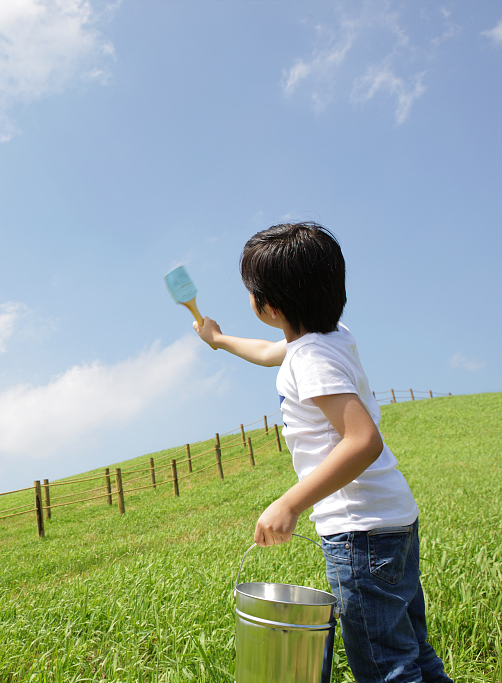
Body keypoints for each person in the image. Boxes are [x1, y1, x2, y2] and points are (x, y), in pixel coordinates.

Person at [193, 222, 452, 683]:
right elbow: (268, 351)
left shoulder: (311, 359)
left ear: (268, 306)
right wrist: (218, 339)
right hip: (392, 520)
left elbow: (362, 440)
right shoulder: (328, 338)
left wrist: (289, 502)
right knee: (413, 653)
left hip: (360, 533)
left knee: (386, 669)